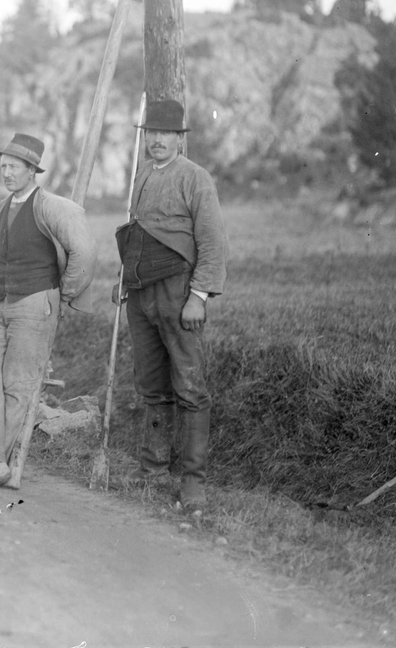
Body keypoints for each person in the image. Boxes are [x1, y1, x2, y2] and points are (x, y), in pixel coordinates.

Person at [0, 134, 97, 490]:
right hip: (0, 302)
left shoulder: (50, 206)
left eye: (13, 167)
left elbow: (84, 251)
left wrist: (65, 292)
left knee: (18, 385)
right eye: (2, 165)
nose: (6, 172)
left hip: (36, 305)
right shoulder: (2, 208)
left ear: (32, 170)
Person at [115, 99, 227, 515]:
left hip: (179, 294)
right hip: (141, 294)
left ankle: (193, 483)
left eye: (166, 134)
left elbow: (213, 242)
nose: (157, 141)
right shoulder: (143, 174)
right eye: (151, 133)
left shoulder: (196, 179)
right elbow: (137, 233)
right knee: (151, 384)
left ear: (180, 139)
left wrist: (199, 296)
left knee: (190, 387)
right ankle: (153, 468)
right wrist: (123, 278)